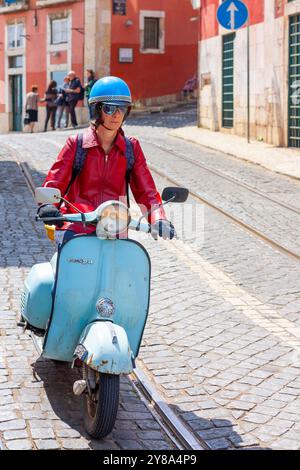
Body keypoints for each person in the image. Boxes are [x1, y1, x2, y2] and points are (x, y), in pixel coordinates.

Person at [39, 76, 176, 246]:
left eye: (122, 108)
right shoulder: (77, 144)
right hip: (75, 228)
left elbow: (146, 190)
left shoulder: (130, 148)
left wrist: (158, 218)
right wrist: (47, 205)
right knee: (72, 269)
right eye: (110, 108)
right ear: (97, 110)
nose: (117, 114)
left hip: (114, 229)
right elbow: (54, 183)